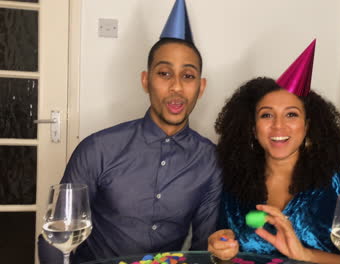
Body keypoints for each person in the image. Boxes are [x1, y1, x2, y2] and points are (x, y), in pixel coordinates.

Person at [38, 1, 222, 263]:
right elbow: (56, 236)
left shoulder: (210, 160)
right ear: (146, 80)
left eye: (188, 76)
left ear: (201, 87)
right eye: (164, 73)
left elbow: (205, 246)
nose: (177, 87)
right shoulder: (97, 149)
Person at [207, 76, 340, 264]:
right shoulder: (237, 176)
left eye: (291, 114)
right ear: (252, 127)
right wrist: (220, 250)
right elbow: (225, 249)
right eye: (266, 115)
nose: (278, 125)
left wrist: (304, 254)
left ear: (307, 125)